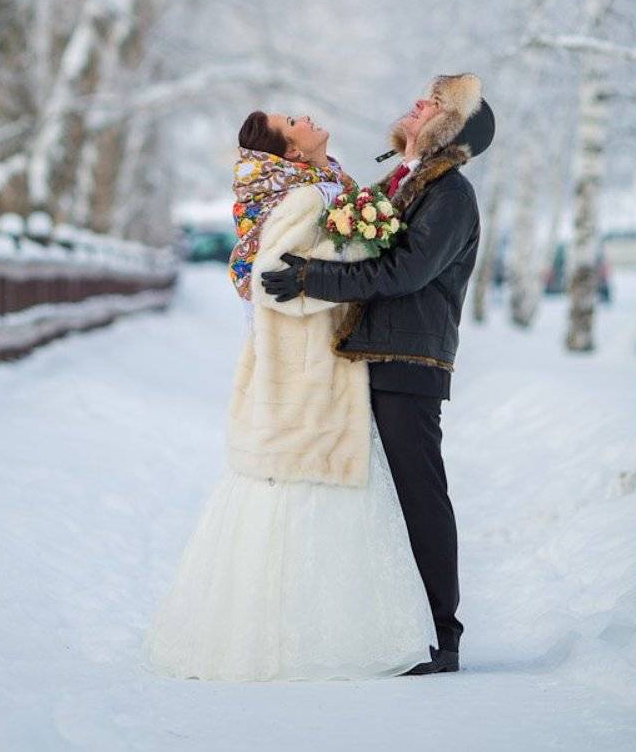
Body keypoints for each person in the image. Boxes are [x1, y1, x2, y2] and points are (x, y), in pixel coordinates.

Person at [143, 110, 434, 682]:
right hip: (307, 369)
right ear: (293, 152)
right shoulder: (304, 198)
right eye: (293, 121)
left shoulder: (324, 185)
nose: (308, 117)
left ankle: (301, 636)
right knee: (304, 491)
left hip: (312, 366)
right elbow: (276, 282)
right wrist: (363, 254)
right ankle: (307, 641)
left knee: (306, 495)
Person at [262, 74, 495, 675]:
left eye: (435, 104)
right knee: (373, 499)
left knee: (419, 493)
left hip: (409, 362)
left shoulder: (451, 194)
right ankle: (383, 626)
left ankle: (443, 636)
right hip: (368, 353)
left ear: (449, 128)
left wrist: (313, 278)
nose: (419, 102)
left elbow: (404, 272)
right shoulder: (402, 181)